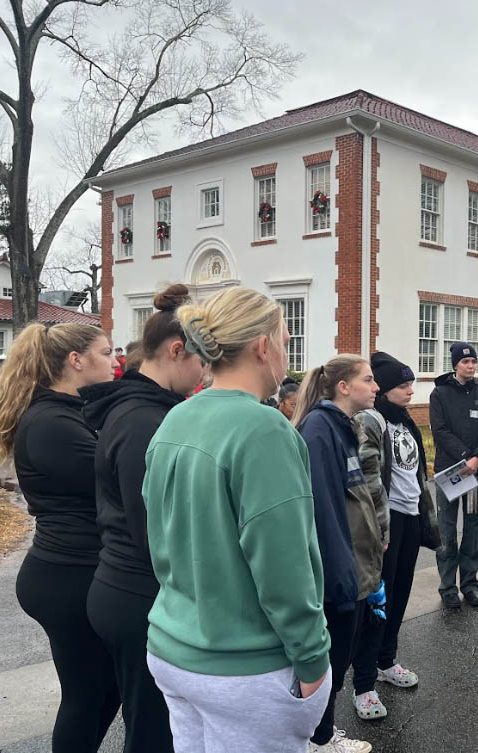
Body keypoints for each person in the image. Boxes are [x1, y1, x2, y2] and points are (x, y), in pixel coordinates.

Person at [142, 287, 332, 753]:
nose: (288, 355)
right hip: (243, 667)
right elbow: (285, 566)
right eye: (286, 341)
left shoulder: (175, 418)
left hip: (173, 648)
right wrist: (312, 661)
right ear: (262, 347)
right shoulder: (264, 429)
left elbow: (161, 536)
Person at [81, 284, 204, 753]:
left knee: (152, 721)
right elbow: (155, 529)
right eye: (199, 361)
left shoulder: (145, 410)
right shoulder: (142, 422)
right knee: (153, 730)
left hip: (126, 588)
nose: (203, 373)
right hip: (136, 597)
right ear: (176, 351)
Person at [0, 322, 119, 752]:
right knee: (86, 697)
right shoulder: (51, 423)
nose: (115, 360)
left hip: (74, 571)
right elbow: (119, 481)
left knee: (106, 691)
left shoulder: (68, 413)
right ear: (76, 361)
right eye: (106, 351)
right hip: (67, 578)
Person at [290, 355, 383, 753]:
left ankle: (321, 735)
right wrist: (344, 576)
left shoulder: (341, 427)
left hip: (353, 569)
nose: (375, 386)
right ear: (343, 387)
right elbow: (324, 511)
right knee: (326, 662)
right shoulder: (319, 429)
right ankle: (317, 740)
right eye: (368, 379)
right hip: (337, 576)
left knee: (337, 659)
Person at [351, 352, 438, 719]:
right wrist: (379, 525)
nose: (410, 391)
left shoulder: (407, 422)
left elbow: (415, 473)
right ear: (384, 389)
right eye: (402, 385)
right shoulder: (371, 422)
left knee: (400, 593)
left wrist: (423, 514)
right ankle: (364, 684)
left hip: (410, 517)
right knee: (376, 603)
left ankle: (387, 661)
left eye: (410, 384)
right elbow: (369, 480)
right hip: (384, 524)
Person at [429, 341, 478, 609]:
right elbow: (440, 430)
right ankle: (448, 587)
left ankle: (469, 584)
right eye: (465, 362)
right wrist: (464, 458)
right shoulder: (440, 394)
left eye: (473, 361)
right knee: (446, 529)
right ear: (455, 364)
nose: (470, 366)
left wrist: (477, 458)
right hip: (450, 471)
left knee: (473, 528)